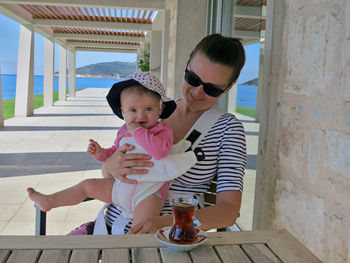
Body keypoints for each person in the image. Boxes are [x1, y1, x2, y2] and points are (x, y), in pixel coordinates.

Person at [71, 33, 247, 235]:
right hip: (105, 228)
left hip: (165, 240)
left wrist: (170, 222)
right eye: (193, 79)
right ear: (188, 61)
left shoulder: (228, 130)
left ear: (229, 87)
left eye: (211, 89)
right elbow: (110, 175)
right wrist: (110, 166)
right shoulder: (151, 109)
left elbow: (228, 212)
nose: (197, 92)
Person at [27, 72, 198, 233]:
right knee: (87, 185)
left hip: (148, 194)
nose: (140, 116)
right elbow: (114, 154)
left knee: (143, 227)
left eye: (148, 109)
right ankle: (49, 201)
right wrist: (101, 153)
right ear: (122, 111)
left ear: (160, 109)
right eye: (132, 110)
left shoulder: (162, 130)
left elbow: (159, 152)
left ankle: (129, 247)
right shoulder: (124, 131)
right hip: (119, 189)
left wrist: (137, 130)